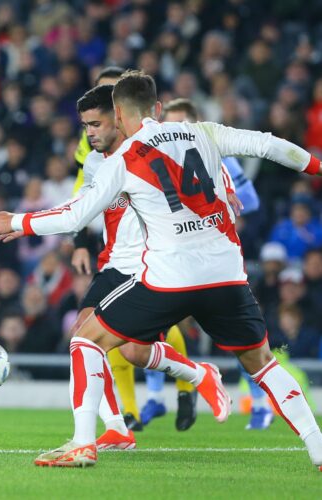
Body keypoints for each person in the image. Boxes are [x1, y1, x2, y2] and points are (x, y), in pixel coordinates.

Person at [0, 70, 322, 470]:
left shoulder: (124, 158)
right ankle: (317, 447)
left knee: (86, 341)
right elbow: (269, 145)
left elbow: (76, 214)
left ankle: (82, 443)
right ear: (157, 108)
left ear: (120, 114)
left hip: (170, 279)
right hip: (226, 274)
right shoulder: (204, 131)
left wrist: (16, 221)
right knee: (263, 363)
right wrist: (316, 167)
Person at [65, 85, 227, 451]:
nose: (89, 133)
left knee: (109, 344)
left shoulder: (154, 148)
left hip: (150, 266)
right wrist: (76, 241)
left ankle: (195, 375)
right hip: (113, 263)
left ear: (119, 116)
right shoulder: (94, 162)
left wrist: (223, 194)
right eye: (85, 126)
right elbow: (80, 209)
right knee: (101, 343)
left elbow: (197, 178)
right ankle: (118, 427)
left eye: (95, 123)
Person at [137, 97, 264, 428]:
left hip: (217, 254)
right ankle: (154, 398)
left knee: (239, 333)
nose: (175, 130)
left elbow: (250, 199)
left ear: (194, 123)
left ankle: (260, 400)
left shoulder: (213, 153)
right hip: (178, 253)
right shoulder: (157, 155)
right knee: (155, 324)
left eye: (182, 123)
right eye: (170, 123)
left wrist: (217, 202)